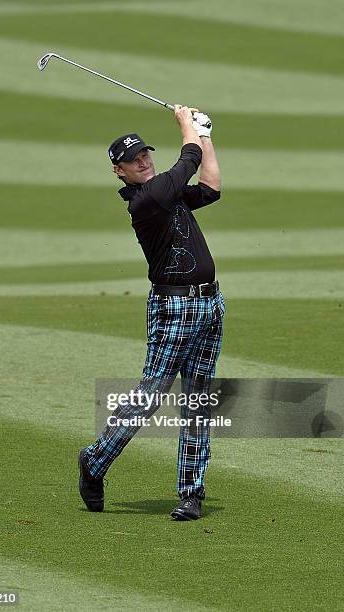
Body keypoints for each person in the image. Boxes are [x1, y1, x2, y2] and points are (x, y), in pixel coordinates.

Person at [79, 105, 225, 520]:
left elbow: (211, 187)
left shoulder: (167, 192)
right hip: (173, 306)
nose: (142, 160)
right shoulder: (146, 200)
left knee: (198, 398)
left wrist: (206, 134)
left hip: (210, 303)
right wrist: (187, 129)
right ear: (119, 172)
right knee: (151, 394)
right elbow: (188, 163)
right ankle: (95, 460)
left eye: (144, 153)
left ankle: (191, 492)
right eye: (132, 159)